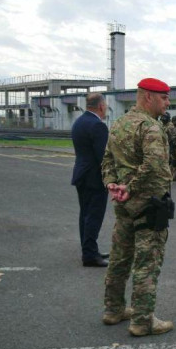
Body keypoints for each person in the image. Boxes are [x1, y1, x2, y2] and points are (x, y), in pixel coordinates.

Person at [100, 77, 174, 336]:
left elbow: (107, 160)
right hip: (149, 205)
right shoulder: (149, 127)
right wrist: (130, 186)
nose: (168, 102)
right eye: (164, 97)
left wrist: (112, 184)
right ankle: (142, 321)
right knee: (147, 262)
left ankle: (113, 309)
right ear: (148, 97)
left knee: (120, 258)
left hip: (124, 205)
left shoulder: (119, 124)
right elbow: (154, 165)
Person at [71, 93, 110, 267]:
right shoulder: (97, 126)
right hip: (95, 178)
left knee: (85, 215)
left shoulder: (79, 122)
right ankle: (90, 255)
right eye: (106, 106)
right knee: (94, 216)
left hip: (81, 174)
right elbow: (104, 157)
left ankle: (89, 249)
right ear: (101, 106)